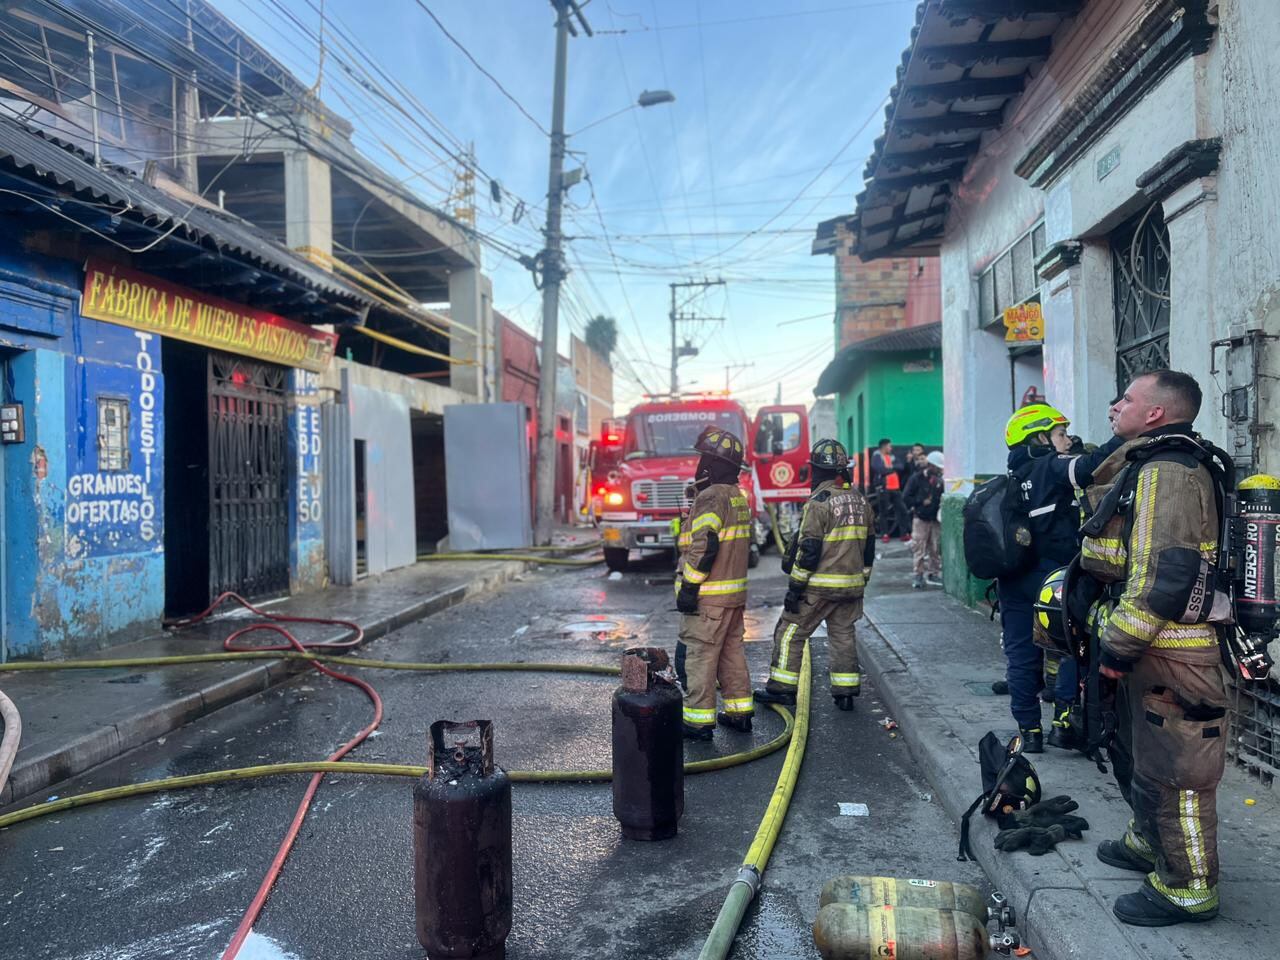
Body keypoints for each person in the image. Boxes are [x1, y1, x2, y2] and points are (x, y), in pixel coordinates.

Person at [1080, 370, 1227, 926]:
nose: (1115, 406)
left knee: (1179, 775)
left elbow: (1162, 576)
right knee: (1145, 757)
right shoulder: (1152, 462)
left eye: (1127, 399)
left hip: (1173, 654)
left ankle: (1189, 889)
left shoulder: (1167, 472)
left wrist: (1116, 650)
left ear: (1156, 413)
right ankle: (1147, 842)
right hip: (1155, 650)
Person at [997, 403, 1124, 752]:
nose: (1067, 440)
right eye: (1060, 434)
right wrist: (1126, 434)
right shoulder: (1050, 467)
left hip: (1012, 580)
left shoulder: (1013, 475)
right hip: (1053, 578)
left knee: (1021, 655)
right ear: (1039, 438)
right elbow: (1089, 468)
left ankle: (1029, 732)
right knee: (1070, 645)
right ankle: (1063, 723)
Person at [754, 439, 876, 712]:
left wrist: (795, 588)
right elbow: (869, 548)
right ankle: (845, 692)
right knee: (842, 634)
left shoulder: (819, 503)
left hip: (819, 587)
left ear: (818, 470)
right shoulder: (861, 501)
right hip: (852, 586)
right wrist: (862, 579)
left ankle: (782, 689)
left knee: (790, 632)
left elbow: (808, 550)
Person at [674, 425, 754, 741]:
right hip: (733, 596)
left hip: (709, 598)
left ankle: (698, 721)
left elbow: (705, 546)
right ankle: (740, 713)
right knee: (732, 654)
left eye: (703, 459)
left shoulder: (711, 497)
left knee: (700, 657)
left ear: (712, 463)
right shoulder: (737, 497)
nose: (699, 465)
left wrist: (689, 587)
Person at [903, 450, 944, 589]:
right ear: (931, 465)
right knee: (919, 548)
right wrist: (921, 502)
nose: (939, 470)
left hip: (935, 519)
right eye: (937, 468)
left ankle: (934, 573)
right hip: (921, 518)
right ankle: (918, 575)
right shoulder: (916, 478)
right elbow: (906, 497)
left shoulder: (940, 481)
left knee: (935, 548)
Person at [870, 438, 909, 542]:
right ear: (884, 446)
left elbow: (901, 466)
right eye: (889, 446)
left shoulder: (892, 456)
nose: (891, 448)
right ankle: (885, 534)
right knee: (883, 512)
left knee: (902, 510)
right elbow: (879, 469)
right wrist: (892, 469)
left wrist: (889, 467)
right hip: (883, 488)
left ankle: (904, 534)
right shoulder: (876, 456)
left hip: (895, 488)